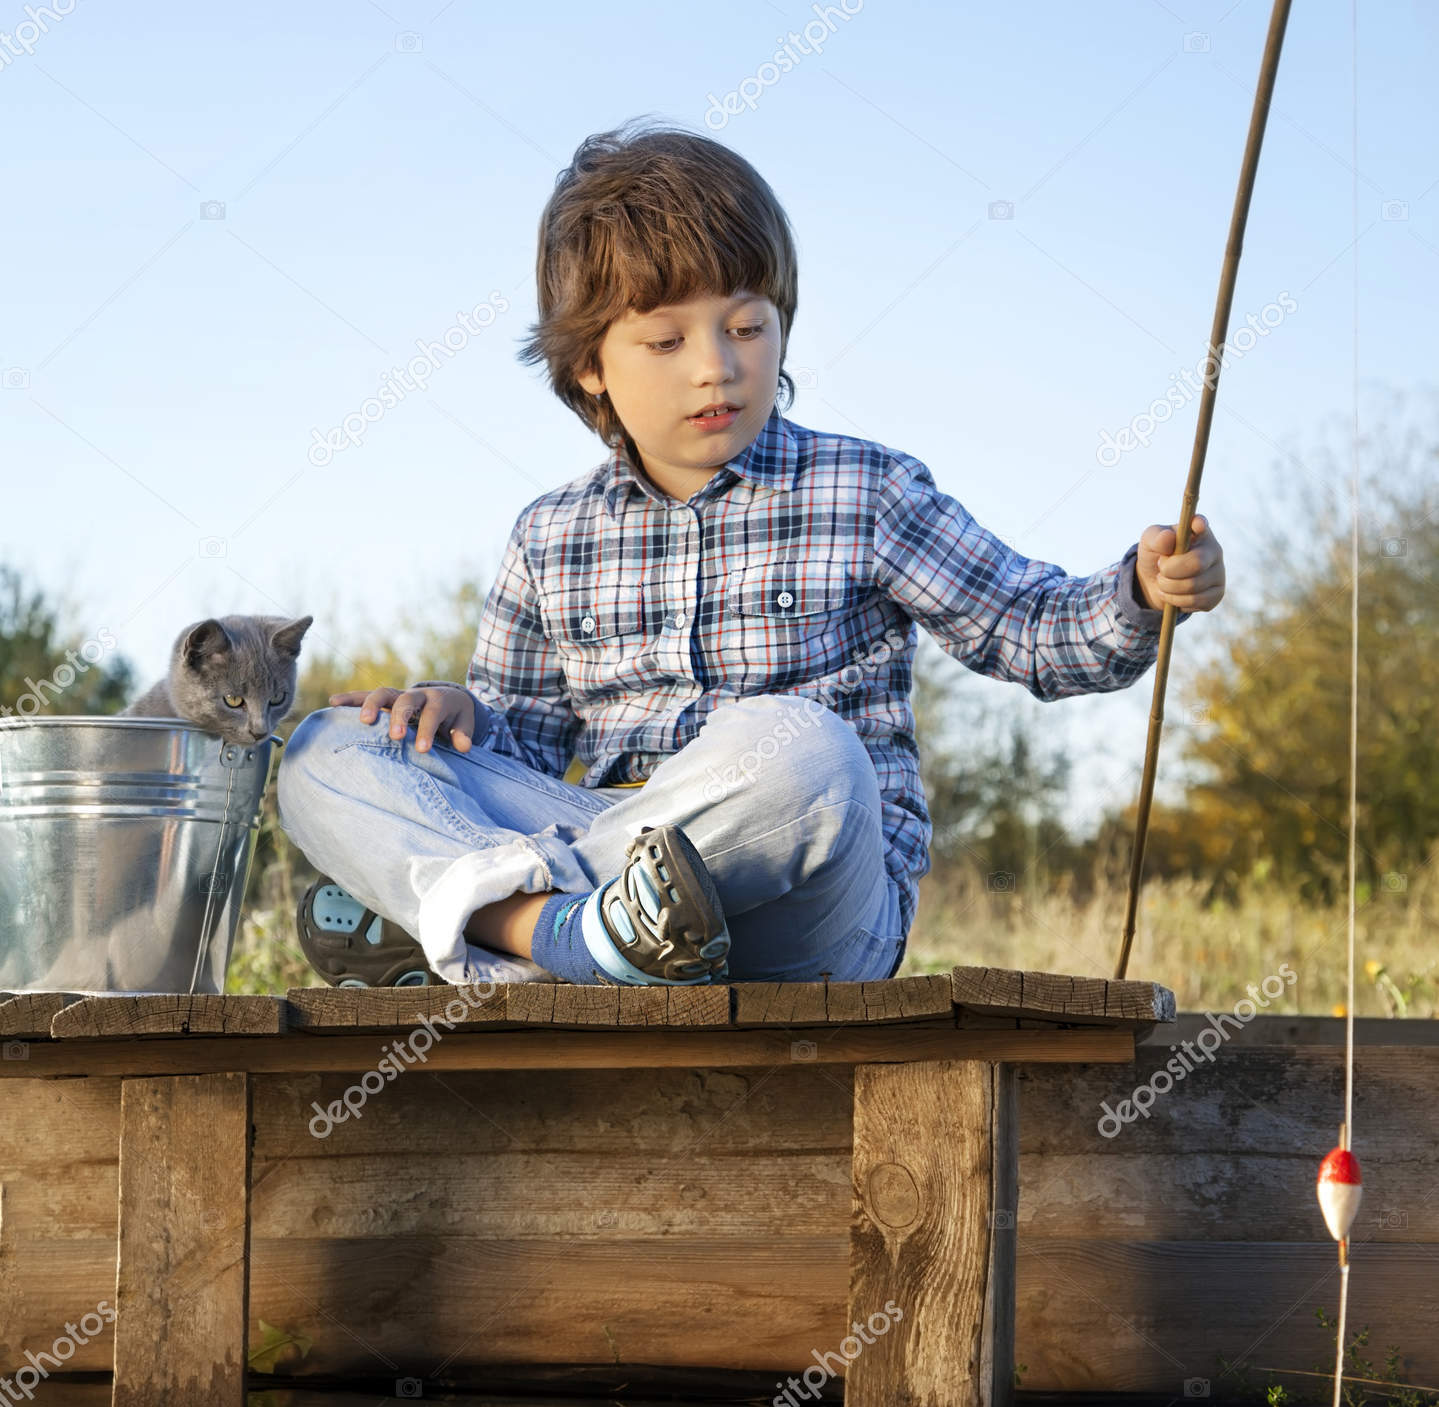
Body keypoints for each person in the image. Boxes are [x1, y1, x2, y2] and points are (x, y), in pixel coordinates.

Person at [277, 120, 1226, 990]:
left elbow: (1028, 628)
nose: (715, 366)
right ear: (589, 367)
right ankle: (573, 936)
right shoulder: (549, 534)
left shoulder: (863, 492)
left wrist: (1140, 591)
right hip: (601, 846)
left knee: (803, 746)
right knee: (330, 747)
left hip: (805, 905)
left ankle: (497, 926)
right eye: (666, 338)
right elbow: (523, 747)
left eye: (745, 326)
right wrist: (460, 715)